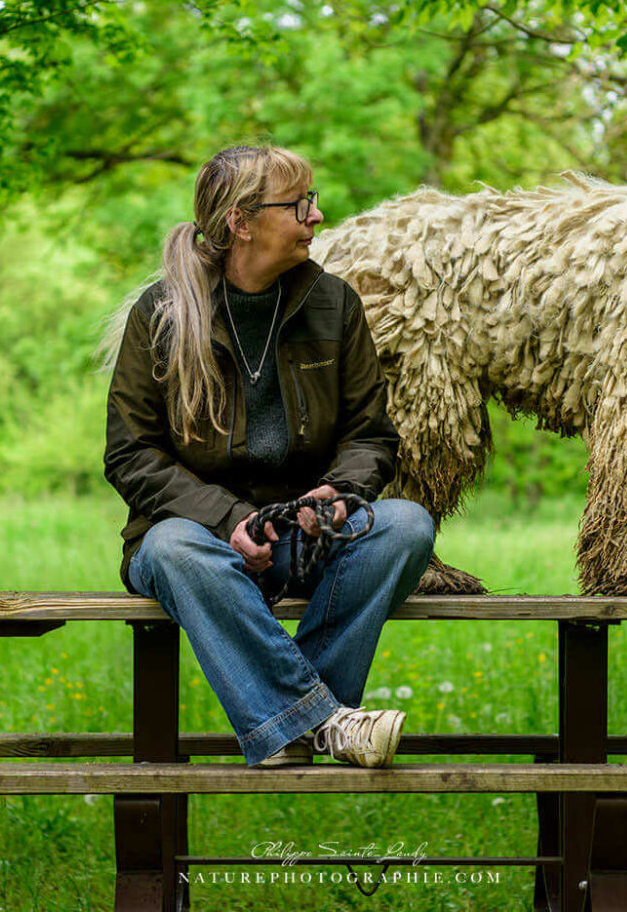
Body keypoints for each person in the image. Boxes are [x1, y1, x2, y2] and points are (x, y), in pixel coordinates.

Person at [102, 144, 434, 768]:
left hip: (302, 537)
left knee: (406, 526)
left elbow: (372, 436)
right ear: (241, 222)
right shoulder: (162, 314)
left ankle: (292, 724)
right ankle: (326, 721)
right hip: (198, 546)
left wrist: (332, 494)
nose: (316, 216)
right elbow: (130, 452)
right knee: (173, 547)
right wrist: (227, 520)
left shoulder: (333, 303)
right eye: (300, 203)